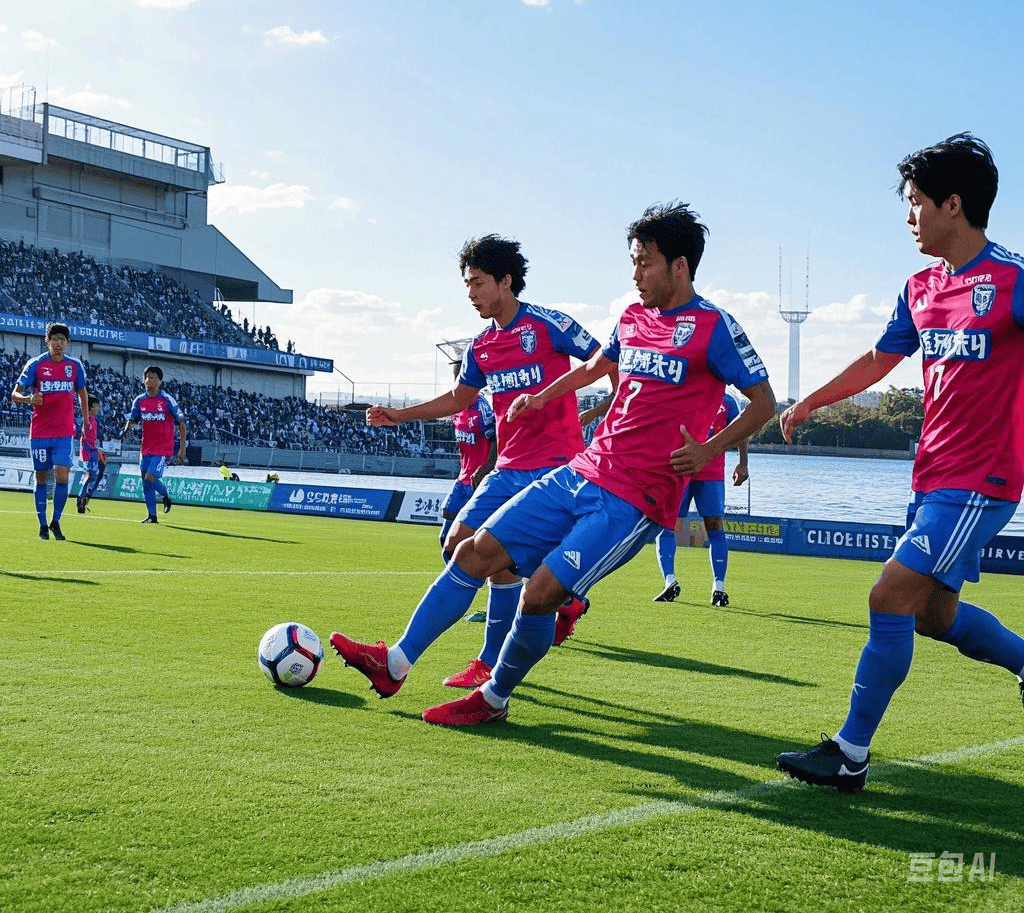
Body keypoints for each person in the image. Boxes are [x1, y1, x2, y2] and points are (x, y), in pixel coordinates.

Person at [333, 201, 776, 724]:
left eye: (645, 263)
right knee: (474, 551)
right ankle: (395, 664)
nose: (635, 274)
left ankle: (493, 698)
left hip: (638, 497)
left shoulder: (714, 327)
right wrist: (544, 395)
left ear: (679, 266)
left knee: (540, 593)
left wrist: (709, 449)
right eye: (633, 261)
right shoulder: (631, 318)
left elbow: (764, 402)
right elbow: (595, 366)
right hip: (581, 471)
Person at [776, 133, 1024, 792]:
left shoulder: (1013, 282)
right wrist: (810, 404)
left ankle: (850, 753)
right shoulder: (918, 287)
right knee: (931, 617)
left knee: (888, 594)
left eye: (915, 203)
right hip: (931, 477)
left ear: (953, 204)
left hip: (984, 480)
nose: (908, 216)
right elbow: (880, 360)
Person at [356, 234, 613, 690]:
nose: (471, 294)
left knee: (496, 559)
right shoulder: (480, 347)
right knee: (459, 543)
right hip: (508, 467)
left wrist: (607, 421)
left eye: (477, 283)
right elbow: (459, 398)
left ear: (505, 281)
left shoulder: (550, 325)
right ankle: (551, 607)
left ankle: (484, 659)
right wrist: (400, 415)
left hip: (557, 467)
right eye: (467, 285)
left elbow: (607, 362)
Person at [652, 391, 749, 606]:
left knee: (714, 526)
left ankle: (719, 588)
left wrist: (743, 463)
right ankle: (669, 581)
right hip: (680, 470)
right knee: (667, 525)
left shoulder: (728, 400)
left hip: (711, 472)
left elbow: (741, 429)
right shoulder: (683, 390)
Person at [11, 321, 89, 541]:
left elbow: (82, 393)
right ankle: (42, 525)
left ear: (67, 343)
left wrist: (85, 420)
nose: (58, 344)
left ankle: (56, 521)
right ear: (47, 341)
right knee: (42, 476)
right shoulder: (35, 364)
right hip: (41, 432)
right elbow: (14, 394)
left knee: (62, 474)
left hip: (65, 431)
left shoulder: (74, 366)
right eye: (54, 339)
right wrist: (28, 399)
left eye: (62, 340)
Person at [439, 360, 497, 553]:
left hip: (478, 482)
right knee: (445, 539)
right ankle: (462, 580)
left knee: (470, 545)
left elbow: (498, 440)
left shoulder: (484, 409)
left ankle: (467, 580)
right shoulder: (456, 409)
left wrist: (486, 468)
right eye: (455, 379)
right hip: (462, 479)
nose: (458, 384)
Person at [123, 365, 188, 524]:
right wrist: (127, 426)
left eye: (153, 377)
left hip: (163, 448)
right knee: (145, 481)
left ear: (160, 381)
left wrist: (182, 448)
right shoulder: (139, 400)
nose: (149, 380)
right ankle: (152, 516)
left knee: (149, 478)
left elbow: (181, 422)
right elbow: (133, 419)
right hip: (145, 448)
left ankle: (165, 495)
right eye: (147, 377)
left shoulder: (167, 400)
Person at [76, 394, 107, 513]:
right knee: (92, 475)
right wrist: (96, 450)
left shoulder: (92, 420)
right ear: (92, 406)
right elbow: (85, 439)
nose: (98, 408)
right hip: (89, 453)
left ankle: (82, 499)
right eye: (97, 405)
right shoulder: (88, 419)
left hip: (92, 452)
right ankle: (81, 498)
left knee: (92, 475)